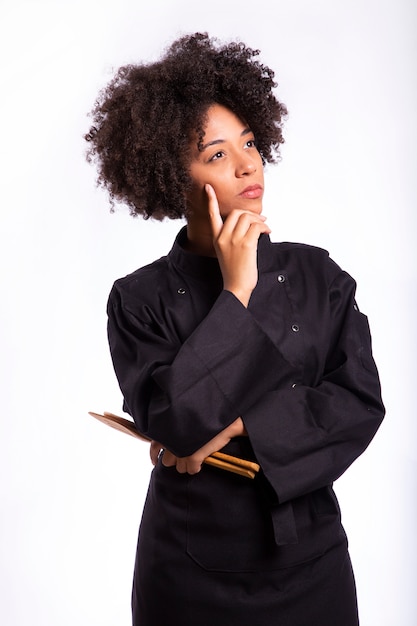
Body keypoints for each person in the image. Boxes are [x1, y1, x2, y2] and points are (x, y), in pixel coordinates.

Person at [85, 32, 384, 626]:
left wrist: (238, 426)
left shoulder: (320, 276)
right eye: (217, 154)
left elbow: (358, 404)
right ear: (172, 176)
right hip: (188, 570)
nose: (249, 164)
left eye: (250, 143)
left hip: (313, 562)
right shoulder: (137, 299)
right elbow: (173, 422)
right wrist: (237, 291)